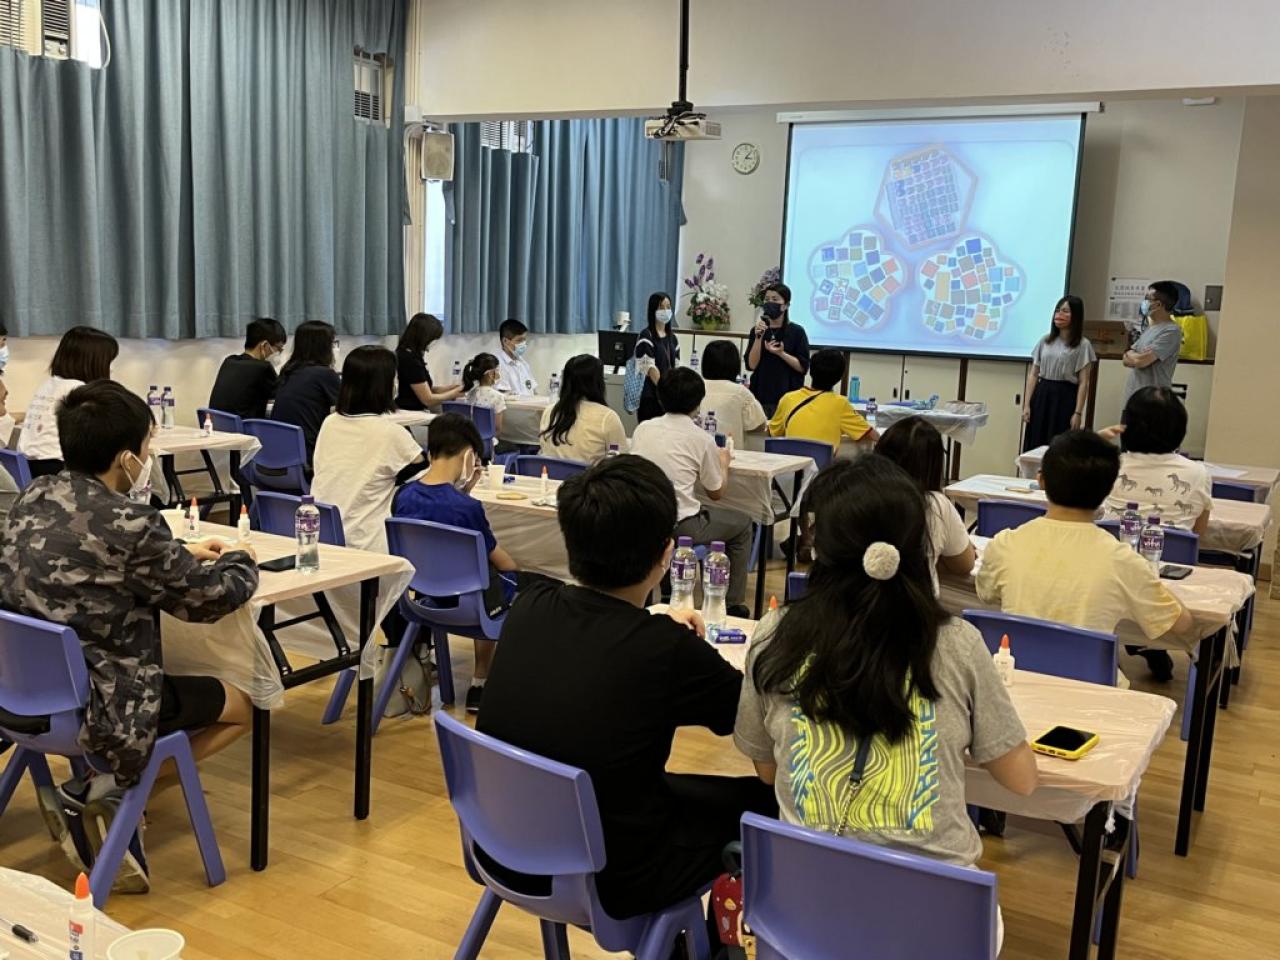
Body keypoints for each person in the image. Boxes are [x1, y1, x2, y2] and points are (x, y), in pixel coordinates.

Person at [734, 456, 1035, 951]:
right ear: (917, 549)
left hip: (805, 914)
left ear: (818, 547)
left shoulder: (774, 634)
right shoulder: (958, 644)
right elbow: (1021, 781)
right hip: (931, 923)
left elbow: (767, 772)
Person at [477, 454, 778, 924]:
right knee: (770, 806)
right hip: (611, 877)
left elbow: (604, 637)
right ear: (666, 554)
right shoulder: (666, 650)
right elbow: (753, 720)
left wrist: (655, 621)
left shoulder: (530, 605)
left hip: (499, 846)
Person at [0, 381, 258, 892]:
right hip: (104, 709)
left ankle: (99, 790)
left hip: (17, 695)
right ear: (126, 457)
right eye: (147, 445)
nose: (149, 455)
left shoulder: (32, 495)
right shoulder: (132, 522)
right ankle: (110, 789)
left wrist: (176, 552)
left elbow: (95, 554)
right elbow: (207, 600)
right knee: (243, 707)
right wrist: (239, 560)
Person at [976, 429, 1194, 682]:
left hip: (1013, 682)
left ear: (1041, 480)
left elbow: (986, 594)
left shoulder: (1005, 544)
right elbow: (1183, 624)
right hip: (1092, 691)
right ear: (1108, 489)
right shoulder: (1122, 560)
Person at [392, 413, 518, 713]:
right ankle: (480, 681)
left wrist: (463, 493)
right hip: (469, 606)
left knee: (481, 578)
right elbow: (505, 563)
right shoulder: (467, 508)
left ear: (430, 451)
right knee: (502, 580)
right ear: (469, 456)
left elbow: (438, 512)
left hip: (421, 599)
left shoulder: (403, 496)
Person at [630, 368, 753, 617]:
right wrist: (724, 463)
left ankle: (668, 593)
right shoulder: (701, 438)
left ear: (661, 397)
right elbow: (716, 492)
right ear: (698, 402)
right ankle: (732, 605)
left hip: (643, 519)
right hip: (681, 524)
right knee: (742, 524)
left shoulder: (643, 429)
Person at [311, 346, 426, 553]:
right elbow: (427, 475)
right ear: (385, 385)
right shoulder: (391, 433)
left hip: (322, 539)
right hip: (367, 545)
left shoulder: (330, 422)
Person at [876, 416, 975, 591]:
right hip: (913, 604)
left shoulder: (857, 495)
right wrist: (935, 558)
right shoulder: (935, 504)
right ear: (933, 465)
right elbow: (964, 564)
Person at [1100, 386, 1211, 534]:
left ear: (1127, 425)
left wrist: (1094, 439)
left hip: (1112, 547)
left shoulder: (1108, 466)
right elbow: (1198, 534)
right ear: (1180, 427)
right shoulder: (1199, 473)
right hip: (1172, 549)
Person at [18, 326, 118, 478]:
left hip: (31, 468)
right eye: (109, 361)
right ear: (92, 361)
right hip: (58, 471)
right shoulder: (77, 390)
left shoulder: (49, 384)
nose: (111, 368)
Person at [1022, 296, 1096, 451]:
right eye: (1057, 310)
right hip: (1042, 394)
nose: (1059, 314)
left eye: (1065, 311)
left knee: (1059, 444)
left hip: (1065, 396)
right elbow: (1033, 374)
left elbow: (1084, 382)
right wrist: (1027, 405)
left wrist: (1078, 413)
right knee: (1036, 440)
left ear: (1075, 315)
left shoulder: (1083, 345)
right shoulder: (1045, 341)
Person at [767, 348, 878, 451]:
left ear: (811, 371)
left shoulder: (788, 399)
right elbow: (873, 435)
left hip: (791, 464)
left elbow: (773, 432)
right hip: (823, 465)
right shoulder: (840, 404)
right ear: (839, 378)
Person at [270, 320, 341, 466]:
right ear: (323, 346)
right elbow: (352, 410)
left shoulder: (288, 371)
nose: (334, 348)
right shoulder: (324, 374)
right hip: (309, 455)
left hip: (281, 453)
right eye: (332, 343)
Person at [538, 353, 627, 463]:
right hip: (589, 474)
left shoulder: (550, 412)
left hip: (550, 473)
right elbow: (619, 459)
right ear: (597, 383)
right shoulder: (607, 417)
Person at [745, 282, 810, 415]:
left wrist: (781, 354)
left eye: (775, 299)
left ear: (785, 305)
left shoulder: (797, 332)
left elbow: (802, 367)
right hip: (760, 396)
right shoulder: (757, 330)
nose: (770, 303)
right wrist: (758, 338)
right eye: (767, 299)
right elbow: (751, 365)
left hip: (789, 397)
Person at [207, 317, 288, 421]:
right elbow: (285, 396)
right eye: (278, 348)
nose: (279, 353)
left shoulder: (229, 361)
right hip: (246, 429)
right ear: (264, 345)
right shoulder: (263, 368)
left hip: (218, 427)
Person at [1122, 281, 1183, 406]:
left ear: (1158, 304)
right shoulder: (1150, 328)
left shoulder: (1172, 331)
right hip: (1133, 397)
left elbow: (1141, 361)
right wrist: (1134, 356)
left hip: (1154, 402)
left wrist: (1134, 356)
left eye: (1147, 299)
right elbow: (1125, 359)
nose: (1144, 302)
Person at [699, 339, 765, 448]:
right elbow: (759, 425)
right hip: (731, 454)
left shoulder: (695, 387)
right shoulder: (740, 392)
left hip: (697, 453)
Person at [396, 312, 462, 410]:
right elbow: (427, 399)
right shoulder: (409, 360)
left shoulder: (410, 355)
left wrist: (451, 388)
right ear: (424, 337)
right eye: (433, 339)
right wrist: (454, 393)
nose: (433, 342)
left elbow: (426, 389)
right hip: (409, 410)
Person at [633, 292, 680, 423]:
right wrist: (664, 391)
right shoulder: (646, 335)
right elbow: (649, 368)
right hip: (650, 397)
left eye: (668, 307)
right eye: (661, 307)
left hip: (667, 398)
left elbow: (676, 366)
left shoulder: (673, 338)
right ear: (653, 310)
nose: (665, 311)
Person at [461, 352, 507, 435]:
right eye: (497, 370)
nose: (499, 374)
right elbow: (497, 429)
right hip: (488, 441)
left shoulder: (470, 394)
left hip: (472, 439)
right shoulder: (498, 397)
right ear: (490, 374)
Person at [496, 318, 537, 396]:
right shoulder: (497, 365)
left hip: (529, 403)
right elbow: (503, 397)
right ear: (505, 341)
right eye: (519, 340)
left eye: (524, 340)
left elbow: (533, 392)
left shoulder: (523, 364)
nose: (523, 344)